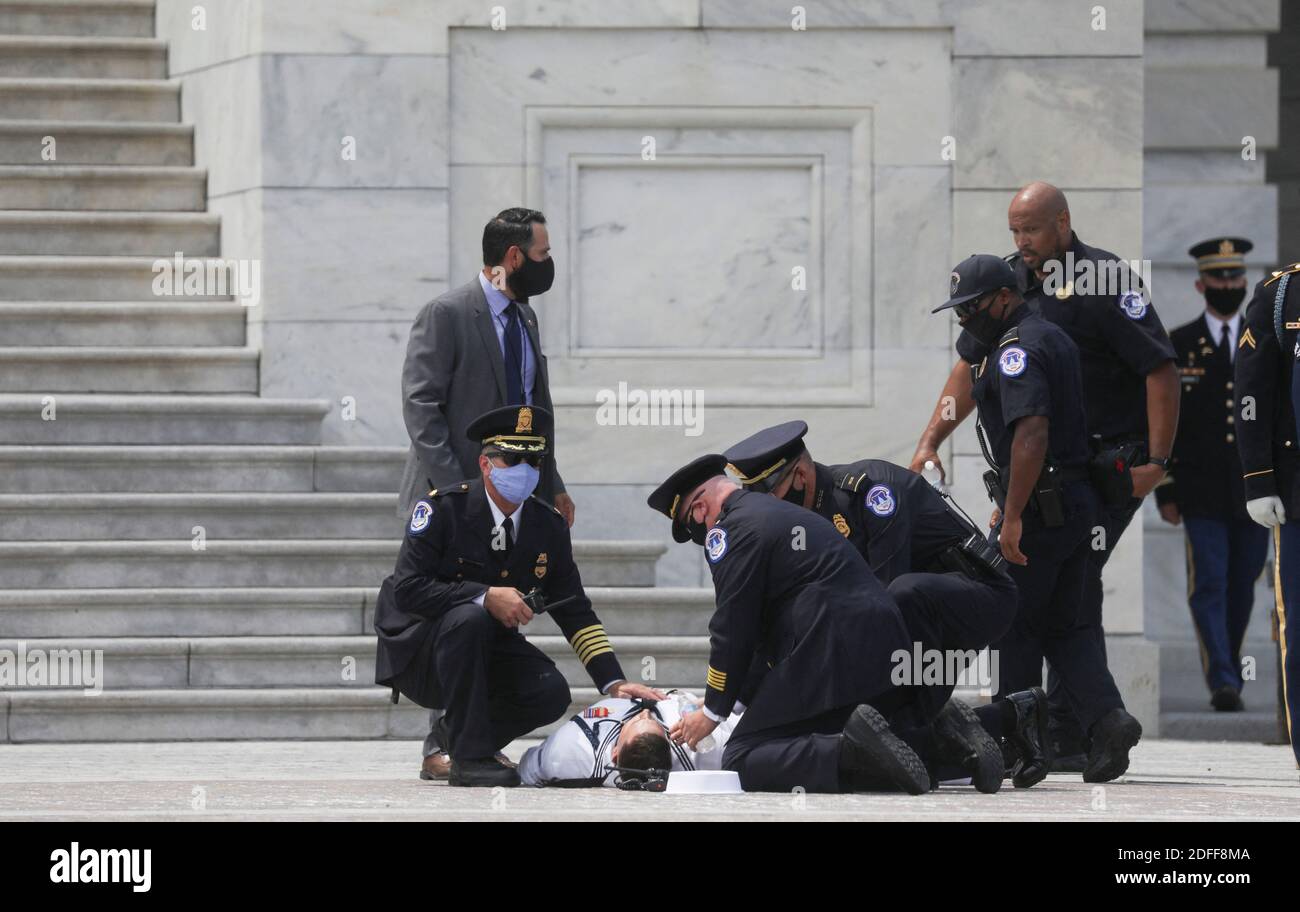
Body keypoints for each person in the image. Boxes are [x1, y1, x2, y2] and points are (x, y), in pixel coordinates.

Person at [910, 182, 1177, 767]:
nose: (1022, 241)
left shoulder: (1103, 282)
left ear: (1063, 222)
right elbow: (965, 370)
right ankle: (1094, 725)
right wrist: (931, 440)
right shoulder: (1007, 292)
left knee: (1016, 603)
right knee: (1070, 607)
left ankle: (1024, 732)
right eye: (1014, 230)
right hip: (1062, 480)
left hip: (1098, 469)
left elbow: (1160, 369)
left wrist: (1157, 464)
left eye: (1031, 229)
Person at [648, 455, 1008, 795]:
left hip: (830, 647)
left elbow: (732, 627)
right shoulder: (777, 513)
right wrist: (739, 700)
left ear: (699, 509)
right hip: (879, 640)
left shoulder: (728, 532)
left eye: (697, 529)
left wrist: (713, 711)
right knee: (874, 736)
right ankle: (950, 737)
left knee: (743, 755)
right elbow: (758, 633)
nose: (705, 534)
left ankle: (855, 756)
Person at [722, 421, 1051, 787]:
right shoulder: (800, 525)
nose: (767, 509)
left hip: (978, 595)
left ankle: (937, 720)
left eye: (770, 494)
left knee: (895, 609)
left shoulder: (871, 491)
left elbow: (880, 601)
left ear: (800, 475)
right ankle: (1010, 719)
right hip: (914, 616)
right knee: (883, 740)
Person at [930, 253, 1142, 782]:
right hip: (1075, 503)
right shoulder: (1051, 334)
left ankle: (1016, 741)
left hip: (1044, 509)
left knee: (1012, 622)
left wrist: (1015, 513)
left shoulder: (1015, 351)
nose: (964, 320)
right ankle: (1109, 719)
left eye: (971, 308)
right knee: (1065, 626)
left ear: (1004, 297)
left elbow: (1031, 434)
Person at [373, 405, 662, 787]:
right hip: (422, 647)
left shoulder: (547, 525)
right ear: (485, 463)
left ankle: (455, 736)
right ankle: (471, 760)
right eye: (511, 458)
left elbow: (574, 608)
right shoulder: (444, 509)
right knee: (470, 617)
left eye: (533, 460)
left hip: (485, 645)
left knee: (549, 691)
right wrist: (484, 595)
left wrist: (612, 682)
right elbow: (408, 589)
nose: (523, 469)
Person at [397, 207, 576, 779]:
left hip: (513, 498)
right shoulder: (447, 314)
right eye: (544, 254)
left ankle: (465, 739)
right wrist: (458, 486)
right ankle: (446, 744)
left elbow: (533, 416)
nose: (550, 265)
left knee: (497, 622)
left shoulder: (525, 319)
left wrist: (553, 484)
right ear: (515, 257)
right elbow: (421, 405)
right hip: (457, 502)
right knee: (461, 618)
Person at [1155, 238, 1269, 712]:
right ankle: (1223, 678)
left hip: (1253, 489)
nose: (1229, 285)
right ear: (1202, 285)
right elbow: (1161, 420)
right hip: (1199, 492)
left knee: (1242, 584)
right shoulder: (1178, 345)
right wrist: (1165, 487)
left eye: (1236, 278)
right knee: (1209, 584)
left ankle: (1230, 660)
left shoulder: (1262, 340)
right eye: (1220, 278)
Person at [1234, 255, 1300, 768]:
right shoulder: (1282, 296)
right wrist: (1258, 478)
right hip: (1297, 495)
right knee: (1297, 626)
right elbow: (1252, 389)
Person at [518, 691, 741, 788]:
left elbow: (528, 768)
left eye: (638, 722)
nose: (643, 713)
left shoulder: (570, 755)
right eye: (652, 721)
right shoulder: (707, 749)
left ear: (615, 754)